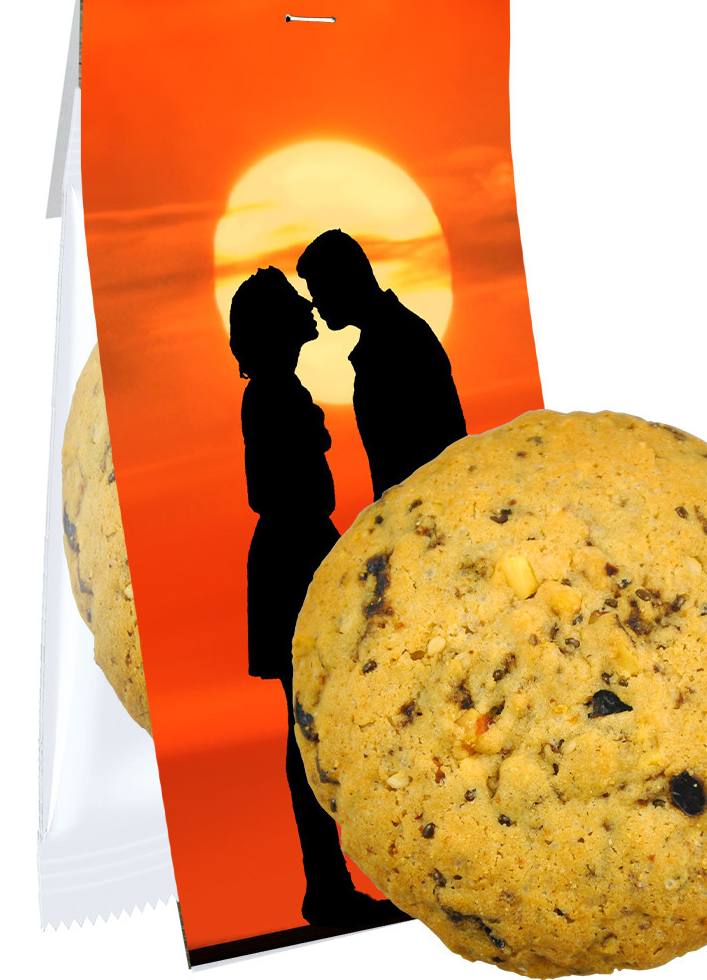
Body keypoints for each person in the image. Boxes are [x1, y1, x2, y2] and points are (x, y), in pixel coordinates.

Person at [229, 267, 400, 928]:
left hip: (300, 551)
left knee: (314, 724)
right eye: (293, 304)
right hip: (293, 556)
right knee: (309, 728)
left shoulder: (280, 389)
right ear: (276, 328)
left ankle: (330, 880)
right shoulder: (272, 394)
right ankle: (326, 885)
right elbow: (271, 491)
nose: (308, 307)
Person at [296, 229, 467, 500]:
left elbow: (429, 445)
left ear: (343, 283)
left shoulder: (398, 340)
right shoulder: (393, 336)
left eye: (319, 290)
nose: (315, 303)